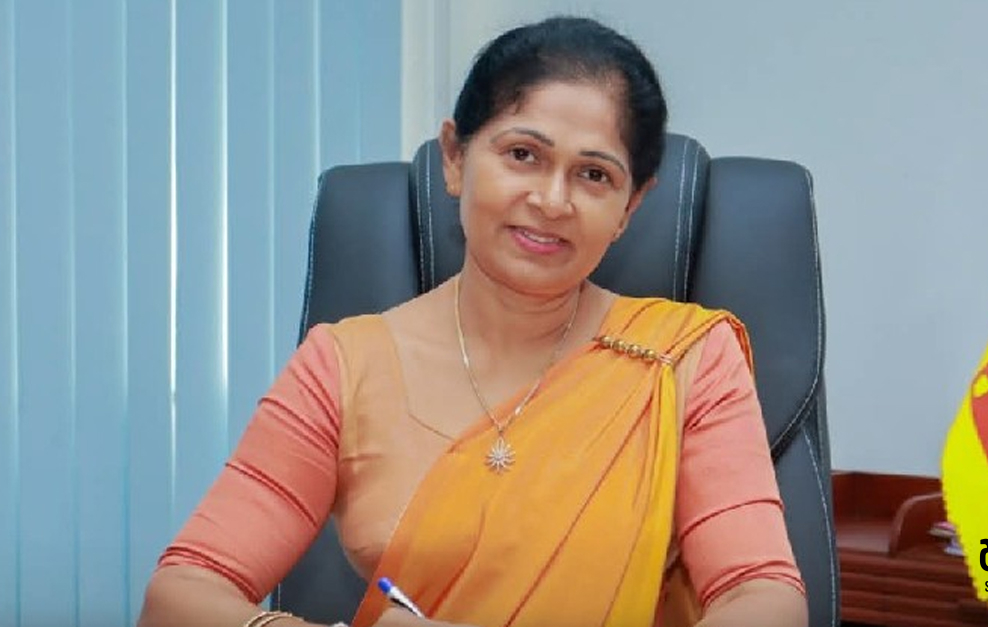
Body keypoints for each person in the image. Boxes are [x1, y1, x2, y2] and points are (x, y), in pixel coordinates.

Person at [138, 15, 808, 627]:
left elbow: (764, 597)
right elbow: (179, 595)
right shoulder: (342, 365)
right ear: (455, 158)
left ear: (630, 207)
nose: (552, 200)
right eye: (523, 155)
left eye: (594, 175)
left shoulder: (682, 359)